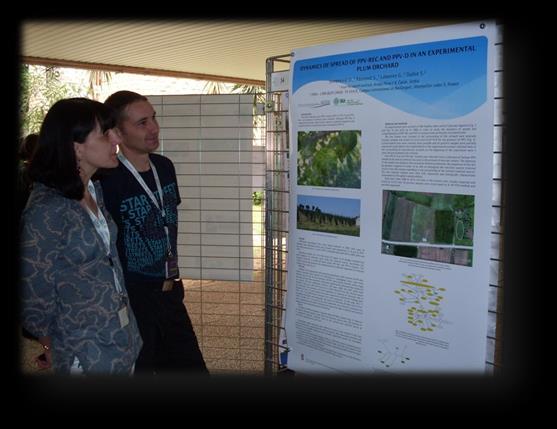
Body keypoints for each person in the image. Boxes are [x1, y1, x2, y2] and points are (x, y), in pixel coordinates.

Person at [20, 98, 142, 375]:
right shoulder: (47, 208)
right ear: (75, 146)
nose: (116, 140)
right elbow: (33, 287)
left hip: (120, 338)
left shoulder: (94, 191)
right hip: (84, 350)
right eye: (105, 133)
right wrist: (49, 342)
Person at [99, 91, 207, 374]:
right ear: (118, 132)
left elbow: (166, 218)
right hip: (134, 298)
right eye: (142, 123)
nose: (154, 128)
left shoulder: (164, 166)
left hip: (170, 289)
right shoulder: (107, 179)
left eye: (154, 119)